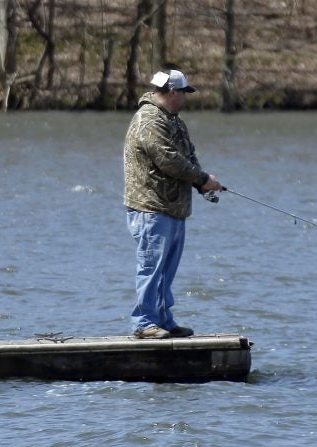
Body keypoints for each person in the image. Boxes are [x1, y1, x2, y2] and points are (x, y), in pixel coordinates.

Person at [123, 66, 223, 339]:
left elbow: (187, 157)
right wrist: (201, 177)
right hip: (150, 208)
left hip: (174, 208)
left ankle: (163, 319)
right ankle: (144, 323)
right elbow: (168, 159)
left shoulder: (174, 120)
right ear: (171, 92)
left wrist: (202, 184)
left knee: (166, 270)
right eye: (183, 93)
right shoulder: (149, 120)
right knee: (151, 267)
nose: (186, 98)